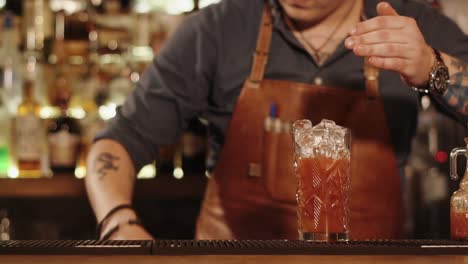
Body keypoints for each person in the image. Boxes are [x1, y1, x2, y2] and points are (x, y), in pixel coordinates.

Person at [85, 0, 468, 240]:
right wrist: (119, 224)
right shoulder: (218, 28)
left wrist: (433, 66)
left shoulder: (410, 23)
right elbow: (119, 141)